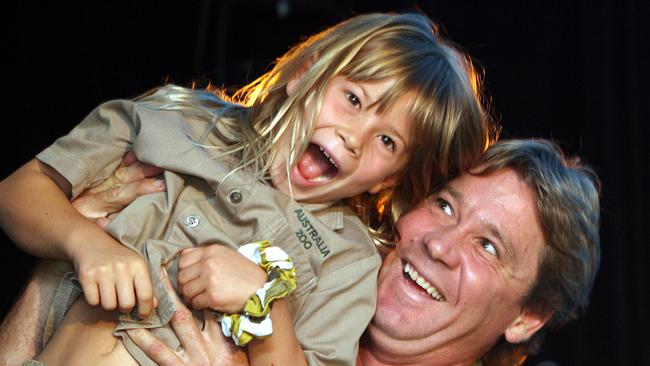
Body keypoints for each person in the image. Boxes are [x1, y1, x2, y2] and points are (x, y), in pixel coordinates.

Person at [0, 12, 491, 366]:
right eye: (353, 99)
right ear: (305, 74)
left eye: (387, 141)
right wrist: (83, 242)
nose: (353, 137)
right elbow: (19, 190)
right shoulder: (175, 119)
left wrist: (263, 300)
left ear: (389, 180)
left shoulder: (349, 260)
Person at [1, 138, 600, 366]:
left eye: (488, 246)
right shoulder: (314, 267)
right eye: (444, 205)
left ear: (529, 316)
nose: (439, 244)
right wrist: (76, 248)